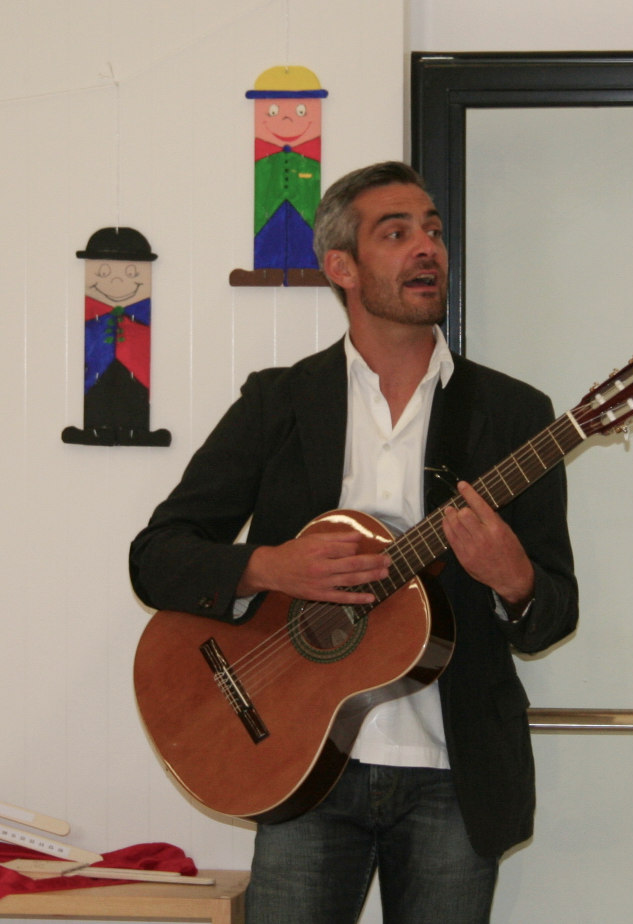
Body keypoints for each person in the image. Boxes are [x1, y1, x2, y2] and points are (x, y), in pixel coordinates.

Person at [129, 161, 578, 923]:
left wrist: (515, 581)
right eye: (396, 234)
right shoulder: (279, 402)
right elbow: (157, 556)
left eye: (432, 231)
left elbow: (553, 615)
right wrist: (267, 566)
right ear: (341, 267)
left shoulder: (512, 413)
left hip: (455, 774)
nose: (426, 248)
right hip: (296, 762)